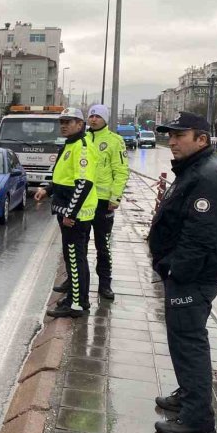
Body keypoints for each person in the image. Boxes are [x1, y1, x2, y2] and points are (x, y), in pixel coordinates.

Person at [149, 111, 217, 433]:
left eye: (179, 135)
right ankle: (188, 395)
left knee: (189, 342)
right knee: (182, 338)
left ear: (201, 139)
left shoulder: (205, 175)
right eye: (170, 135)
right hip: (186, 274)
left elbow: (199, 235)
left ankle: (197, 419)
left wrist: (177, 271)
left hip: (191, 277)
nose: (172, 141)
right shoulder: (194, 169)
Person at [34, 108, 99, 318]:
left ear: (80, 124)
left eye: (68, 122)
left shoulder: (82, 147)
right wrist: (47, 190)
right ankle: (79, 298)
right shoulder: (70, 144)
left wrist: (70, 214)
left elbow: (84, 183)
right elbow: (64, 178)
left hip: (76, 216)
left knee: (74, 258)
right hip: (69, 211)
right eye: (61, 122)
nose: (63, 125)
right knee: (75, 258)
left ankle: (75, 305)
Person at [79, 104, 128, 300]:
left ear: (105, 119)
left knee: (103, 245)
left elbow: (121, 171)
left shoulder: (115, 141)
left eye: (98, 116)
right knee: (79, 244)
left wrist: (115, 197)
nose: (93, 119)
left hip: (103, 202)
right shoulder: (82, 139)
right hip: (83, 201)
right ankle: (76, 282)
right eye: (91, 116)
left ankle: (105, 283)